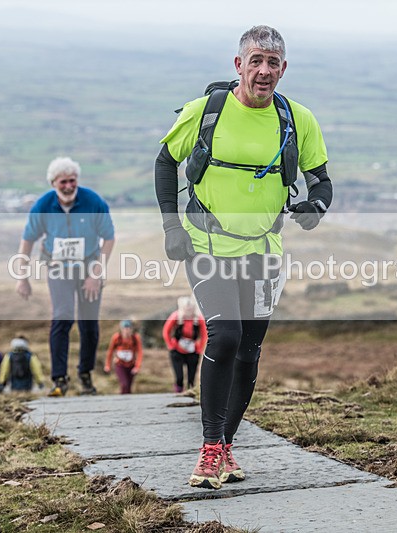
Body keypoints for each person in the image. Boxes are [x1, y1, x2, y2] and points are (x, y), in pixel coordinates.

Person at [154, 25, 333, 489]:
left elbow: (321, 179)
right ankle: (210, 447)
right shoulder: (205, 112)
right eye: (255, 60)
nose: (264, 70)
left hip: (264, 250)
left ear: (283, 69)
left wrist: (316, 207)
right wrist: (172, 226)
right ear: (239, 65)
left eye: (273, 63)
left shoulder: (298, 119)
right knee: (227, 335)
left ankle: (227, 445)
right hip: (207, 244)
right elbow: (164, 161)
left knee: (250, 353)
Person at [14, 156, 116, 397]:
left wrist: (95, 274)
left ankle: (85, 374)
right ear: (53, 183)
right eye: (63, 182)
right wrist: (22, 277)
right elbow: (27, 240)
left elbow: (109, 238)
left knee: (88, 324)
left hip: (89, 266)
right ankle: (59, 379)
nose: (69, 186)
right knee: (62, 317)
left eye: (72, 181)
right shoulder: (43, 206)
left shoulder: (93, 202)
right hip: (58, 267)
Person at [163, 295, 207, 392]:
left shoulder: (198, 319)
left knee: (191, 378)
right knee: (179, 377)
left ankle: (190, 393)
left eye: (190, 309)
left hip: (192, 350)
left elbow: (204, 334)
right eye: (186, 309)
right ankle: (178, 392)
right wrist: (171, 346)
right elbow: (166, 331)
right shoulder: (176, 316)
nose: (188, 311)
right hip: (177, 350)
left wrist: (199, 348)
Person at [103, 320, 143, 394]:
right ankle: (122, 402)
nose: (126, 331)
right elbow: (110, 352)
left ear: (131, 329)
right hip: (120, 365)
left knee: (129, 387)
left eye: (128, 329)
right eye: (124, 329)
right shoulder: (117, 338)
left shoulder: (135, 338)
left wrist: (137, 367)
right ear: (121, 329)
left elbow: (140, 352)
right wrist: (107, 365)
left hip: (131, 365)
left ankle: (128, 403)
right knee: (124, 384)